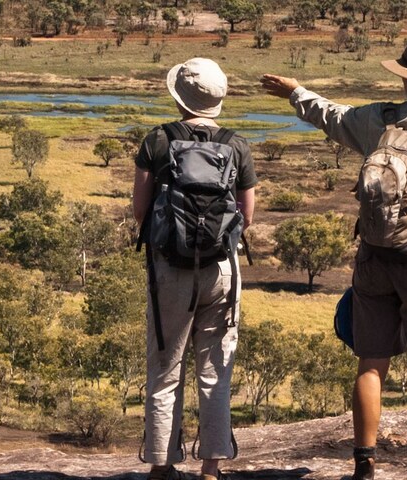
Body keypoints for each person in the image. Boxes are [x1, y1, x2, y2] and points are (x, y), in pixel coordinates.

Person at [260, 32, 407, 480]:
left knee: (371, 362)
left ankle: (364, 466)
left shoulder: (376, 119)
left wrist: (296, 92)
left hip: (372, 254)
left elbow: (332, 116)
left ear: (406, 79)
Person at [132, 57, 258, 480]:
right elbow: (248, 216)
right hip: (222, 270)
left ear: (179, 97)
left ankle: (161, 466)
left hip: (169, 268)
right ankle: (212, 467)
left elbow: (141, 212)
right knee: (215, 372)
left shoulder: (157, 141)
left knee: (165, 371)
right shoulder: (237, 146)